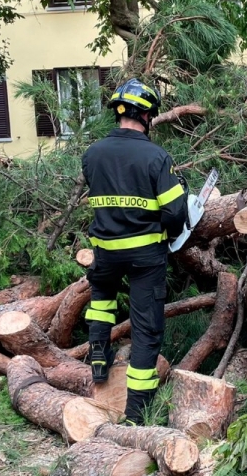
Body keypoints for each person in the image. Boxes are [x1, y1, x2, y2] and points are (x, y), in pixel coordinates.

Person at [81, 78, 189, 425]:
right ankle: (136, 414)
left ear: (119, 113)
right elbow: (175, 212)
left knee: (101, 302)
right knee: (145, 329)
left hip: (104, 251)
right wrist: (173, 235)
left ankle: (99, 360)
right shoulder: (156, 156)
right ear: (146, 116)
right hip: (145, 256)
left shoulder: (92, 154)